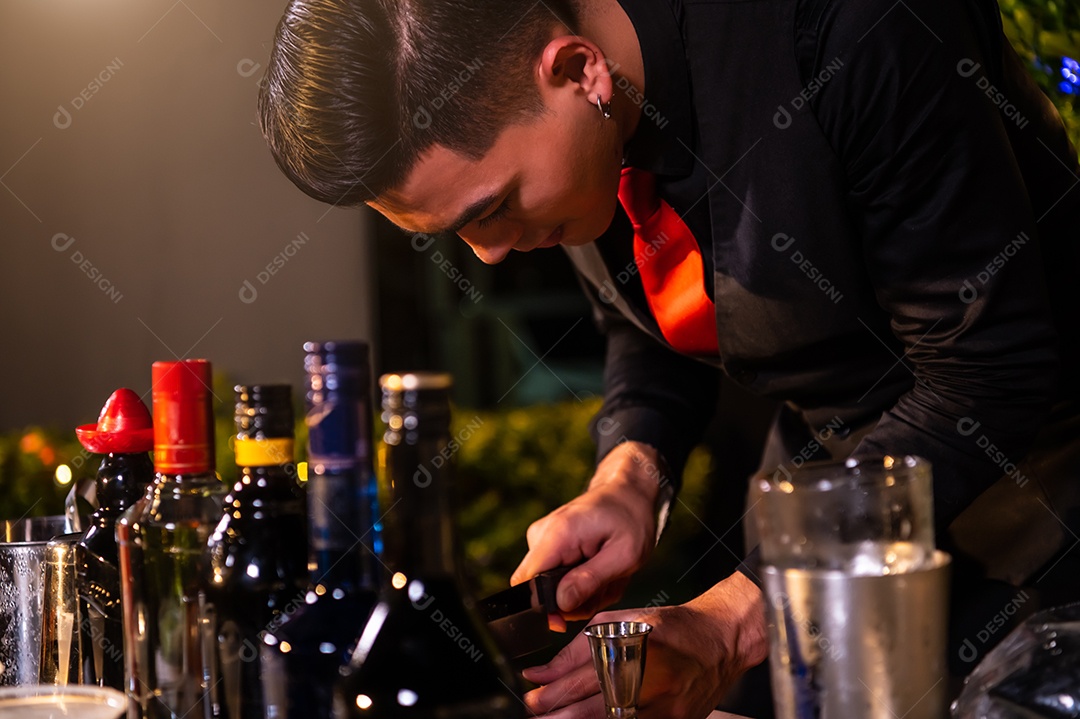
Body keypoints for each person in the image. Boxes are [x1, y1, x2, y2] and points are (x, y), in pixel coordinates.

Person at [258, 0, 1080, 716]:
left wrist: (737, 614)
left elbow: (987, 373)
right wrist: (632, 470)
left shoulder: (849, 28)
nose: (490, 255)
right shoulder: (590, 112)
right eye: (448, 235)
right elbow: (651, 314)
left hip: (1032, 500)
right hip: (816, 508)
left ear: (578, 70)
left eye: (496, 207)